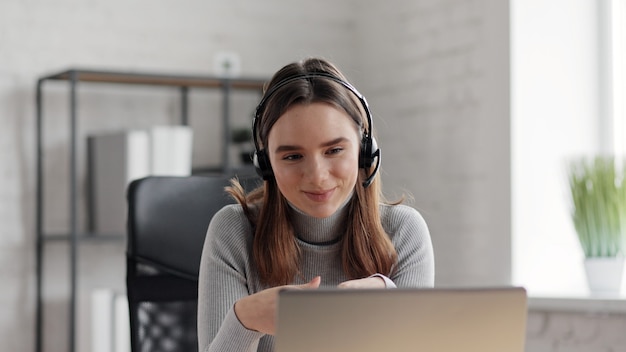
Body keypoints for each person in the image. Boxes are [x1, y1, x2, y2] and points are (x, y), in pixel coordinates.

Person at [197, 57, 434, 352]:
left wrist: (392, 304)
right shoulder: (233, 231)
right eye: (292, 156)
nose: (317, 177)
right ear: (266, 165)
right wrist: (246, 320)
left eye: (334, 150)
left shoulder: (403, 232)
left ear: (364, 152)